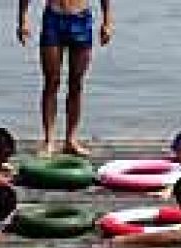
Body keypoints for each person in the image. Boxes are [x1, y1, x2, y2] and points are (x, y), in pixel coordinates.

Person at [17, 0, 114, 155]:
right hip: (54, 18)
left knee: (76, 84)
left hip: (81, 19)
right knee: (51, 82)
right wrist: (23, 21)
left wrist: (107, 22)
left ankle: (71, 140)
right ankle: (49, 140)